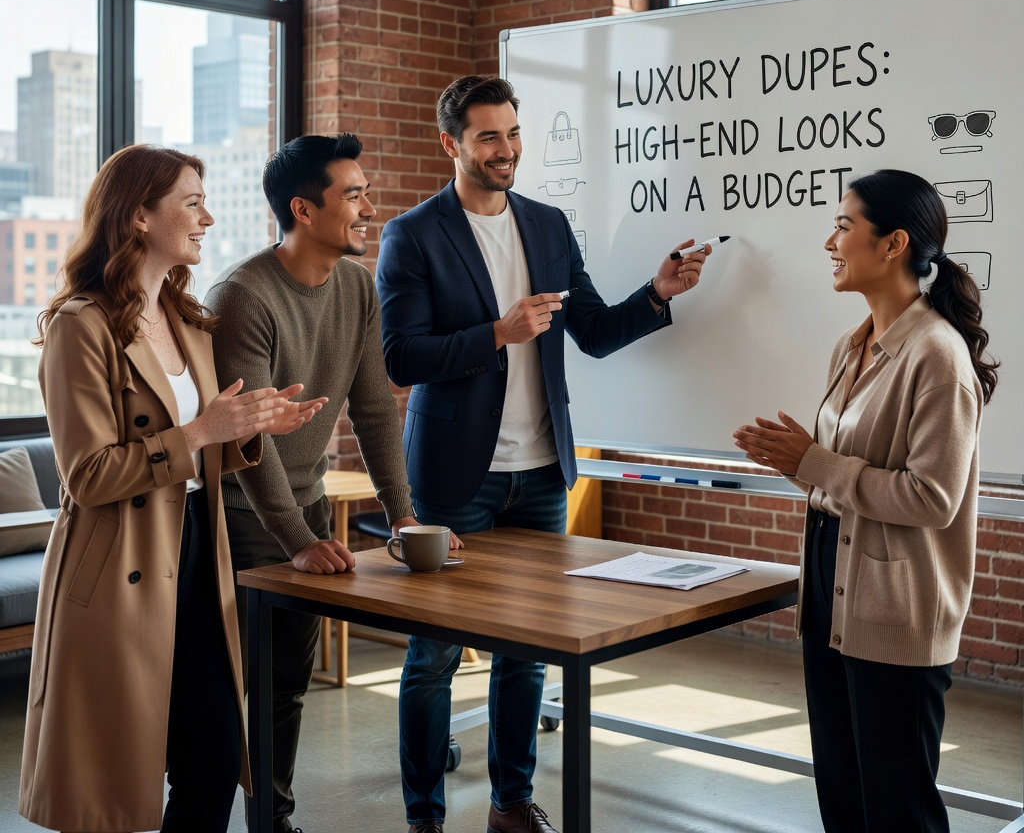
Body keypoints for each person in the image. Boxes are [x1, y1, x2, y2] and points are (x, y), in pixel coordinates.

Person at [375, 74, 713, 833]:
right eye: (488, 136)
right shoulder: (413, 234)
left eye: (513, 133)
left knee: (525, 653)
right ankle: (423, 817)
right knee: (432, 658)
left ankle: (510, 804)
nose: (506, 150)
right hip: (454, 479)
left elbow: (590, 330)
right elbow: (400, 358)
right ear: (452, 144)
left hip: (538, 477)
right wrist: (496, 333)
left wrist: (657, 294)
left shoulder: (549, 226)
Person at [20, 144, 322, 833]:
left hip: (196, 561)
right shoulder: (80, 326)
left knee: (214, 760)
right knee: (111, 792)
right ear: (137, 218)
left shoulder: (190, 323)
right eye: (191, 202)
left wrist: (251, 426)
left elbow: (207, 443)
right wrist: (199, 433)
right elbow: (89, 476)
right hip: (115, 572)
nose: (207, 217)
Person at [733, 168, 998, 833]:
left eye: (845, 226)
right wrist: (793, 462)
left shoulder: (937, 356)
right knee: (844, 802)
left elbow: (931, 498)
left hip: (897, 610)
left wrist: (814, 460)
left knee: (898, 810)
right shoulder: (851, 347)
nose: (830, 241)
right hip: (831, 591)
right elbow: (844, 477)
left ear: (893, 245)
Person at [206, 133, 443, 833]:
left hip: (301, 501)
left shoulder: (355, 286)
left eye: (367, 190)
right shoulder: (243, 296)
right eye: (353, 194)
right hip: (239, 510)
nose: (369, 206)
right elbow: (249, 434)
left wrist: (404, 517)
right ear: (303, 210)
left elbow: (372, 407)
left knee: (285, 685)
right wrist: (298, 539)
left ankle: (271, 819)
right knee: (226, 688)